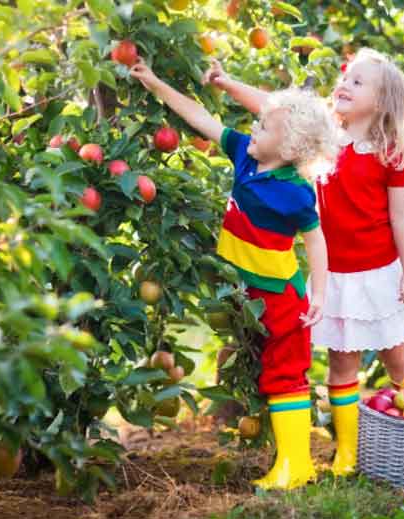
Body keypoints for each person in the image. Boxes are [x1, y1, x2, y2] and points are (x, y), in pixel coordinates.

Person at [202, 48, 404, 476]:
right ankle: (349, 453)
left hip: (380, 273)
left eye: (359, 82)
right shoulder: (324, 133)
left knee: (399, 358)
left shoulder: (391, 151)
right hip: (336, 275)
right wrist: (227, 83)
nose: (345, 85)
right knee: (342, 365)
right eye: (346, 77)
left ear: (382, 101)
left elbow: (402, 214)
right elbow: (272, 109)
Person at [130, 59, 337, 490]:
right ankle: (290, 461)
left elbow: (315, 241)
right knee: (268, 373)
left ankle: (295, 465)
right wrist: (154, 81)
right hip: (249, 293)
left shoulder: (297, 192)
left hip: (281, 295)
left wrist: (319, 294)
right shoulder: (244, 154)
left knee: (286, 374)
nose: (254, 128)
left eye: (264, 126)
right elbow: (200, 117)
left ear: (291, 147)